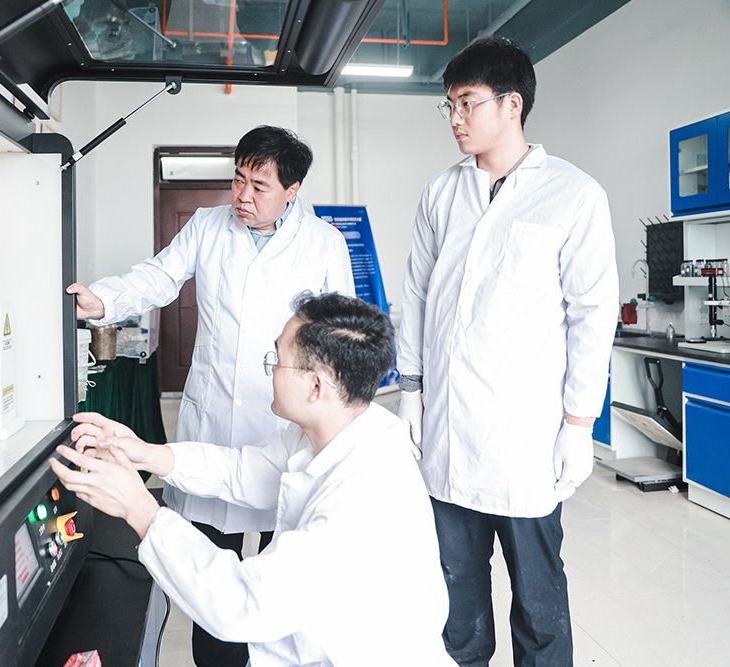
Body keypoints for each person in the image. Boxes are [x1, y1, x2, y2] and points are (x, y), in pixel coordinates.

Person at [66, 126, 354, 666]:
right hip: (215, 416)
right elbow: (159, 277)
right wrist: (103, 300)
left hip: (284, 426)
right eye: (238, 179)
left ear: (292, 190)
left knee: (280, 575)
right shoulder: (207, 224)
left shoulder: (323, 244)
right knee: (211, 576)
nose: (242, 195)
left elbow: (339, 335)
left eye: (259, 186)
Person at [50, 293, 455, 666]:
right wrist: (144, 451)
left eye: (277, 360)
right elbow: (245, 470)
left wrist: (140, 509)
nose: (271, 370)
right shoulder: (345, 426)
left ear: (316, 385)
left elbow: (241, 604)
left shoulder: (361, 499)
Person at [396, 36, 619, 666]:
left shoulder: (573, 194)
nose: (455, 118)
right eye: (449, 105)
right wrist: (410, 389)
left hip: (524, 437)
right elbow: (417, 293)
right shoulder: (441, 194)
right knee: (455, 601)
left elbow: (592, 314)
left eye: (467, 102)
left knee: (539, 603)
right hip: (446, 432)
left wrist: (579, 423)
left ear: (511, 103)